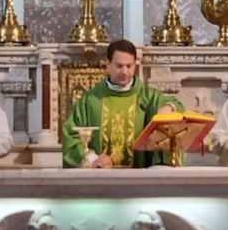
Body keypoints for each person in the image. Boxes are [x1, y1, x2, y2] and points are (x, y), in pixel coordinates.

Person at [61, 39, 183, 168]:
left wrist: (168, 108)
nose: (124, 71)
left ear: (135, 66)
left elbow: (176, 106)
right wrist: (93, 159)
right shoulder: (90, 100)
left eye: (129, 66)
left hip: (140, 176)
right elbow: (71, 135)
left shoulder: (147, 96)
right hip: (101, 175)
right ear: (108, 65)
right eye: (119, 66)